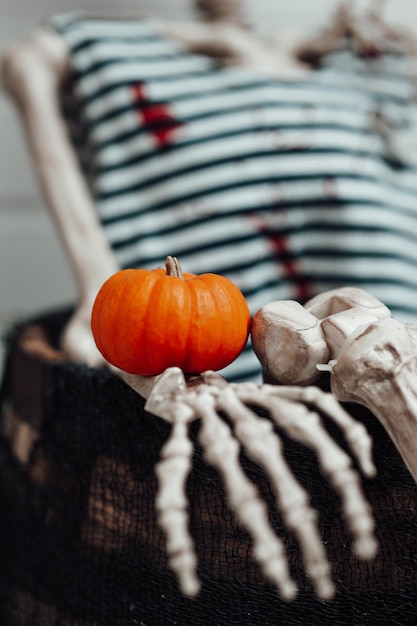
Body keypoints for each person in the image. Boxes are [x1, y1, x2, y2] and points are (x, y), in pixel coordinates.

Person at [2, 0, 417, 382]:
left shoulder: (377, 62)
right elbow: (26, 63)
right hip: (221, 397)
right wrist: (96, 283)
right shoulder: (111, 55)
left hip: (398, 372)